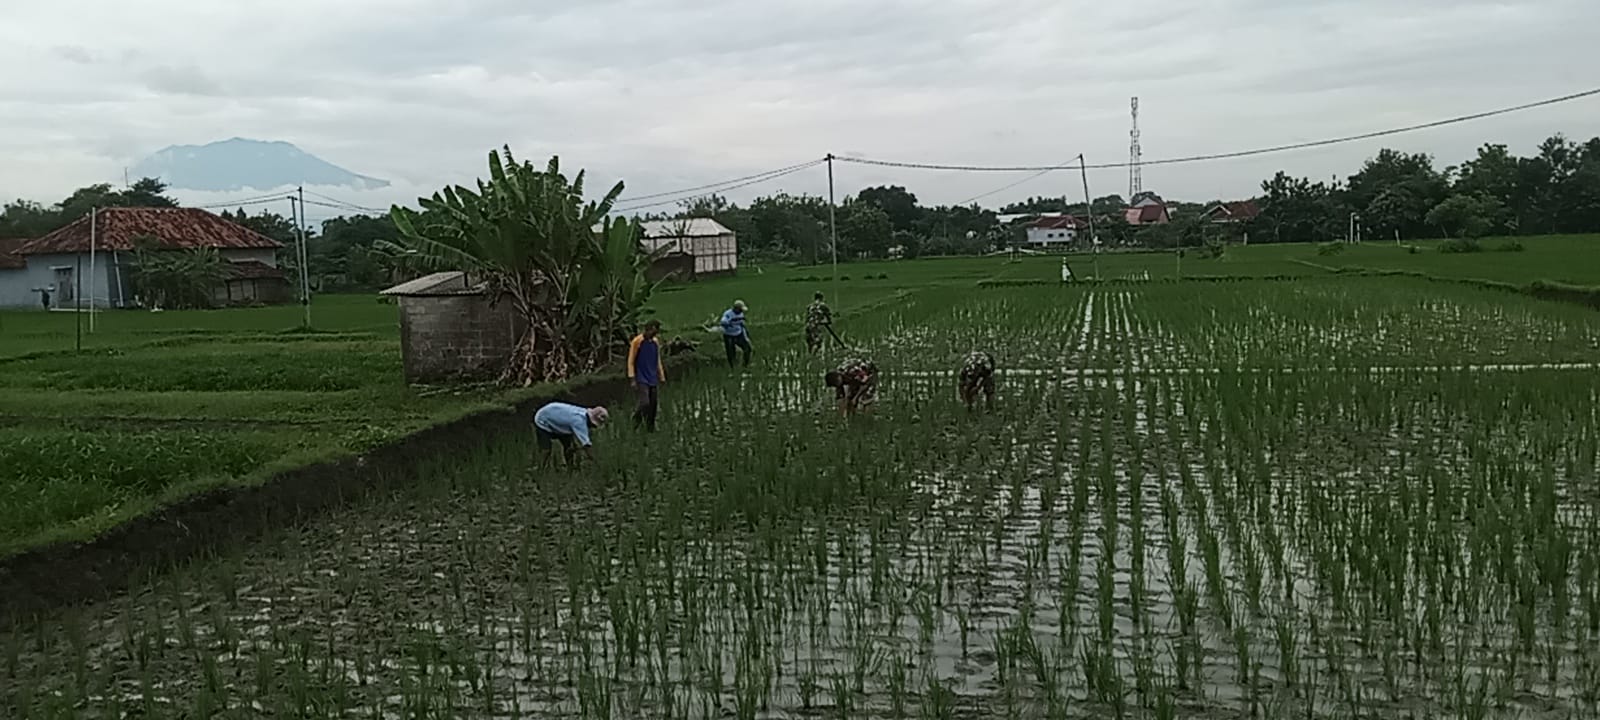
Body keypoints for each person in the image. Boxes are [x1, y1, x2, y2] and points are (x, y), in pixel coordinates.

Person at [532, 402, 608, 467]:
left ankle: (570, 468)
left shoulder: (583, 413)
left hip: (559, 419)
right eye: (594, 426)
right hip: (543, 419)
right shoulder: (579, 422)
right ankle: (540, 470)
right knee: (546, 449)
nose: (593, 428)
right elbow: (587, 446)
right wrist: (598, 463)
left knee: (569, 447)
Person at [627, 320, 666, 432]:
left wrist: (661, 376)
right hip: (641, 377)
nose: (656, 332)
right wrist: (632, 378)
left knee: (653, 404)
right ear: (649, 329)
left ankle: (650, 427)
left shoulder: (655, 342)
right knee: (645, 402)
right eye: (654, 329)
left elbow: (657, 359)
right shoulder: (637, 341)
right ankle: (635, 421)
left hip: (652, 376)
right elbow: (631, 361)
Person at [719, 299, 752, 369]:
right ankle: (733, 368)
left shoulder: (741, 314)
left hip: (739, 334)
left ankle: (745, 365)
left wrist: (746, 336)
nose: (741, 311)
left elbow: (742, 324)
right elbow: (723, 321)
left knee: (747, 348)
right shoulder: (728, 314)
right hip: (729, 336)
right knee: (731, 353)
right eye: (740, 309)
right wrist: (727, 323)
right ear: (736, 308)